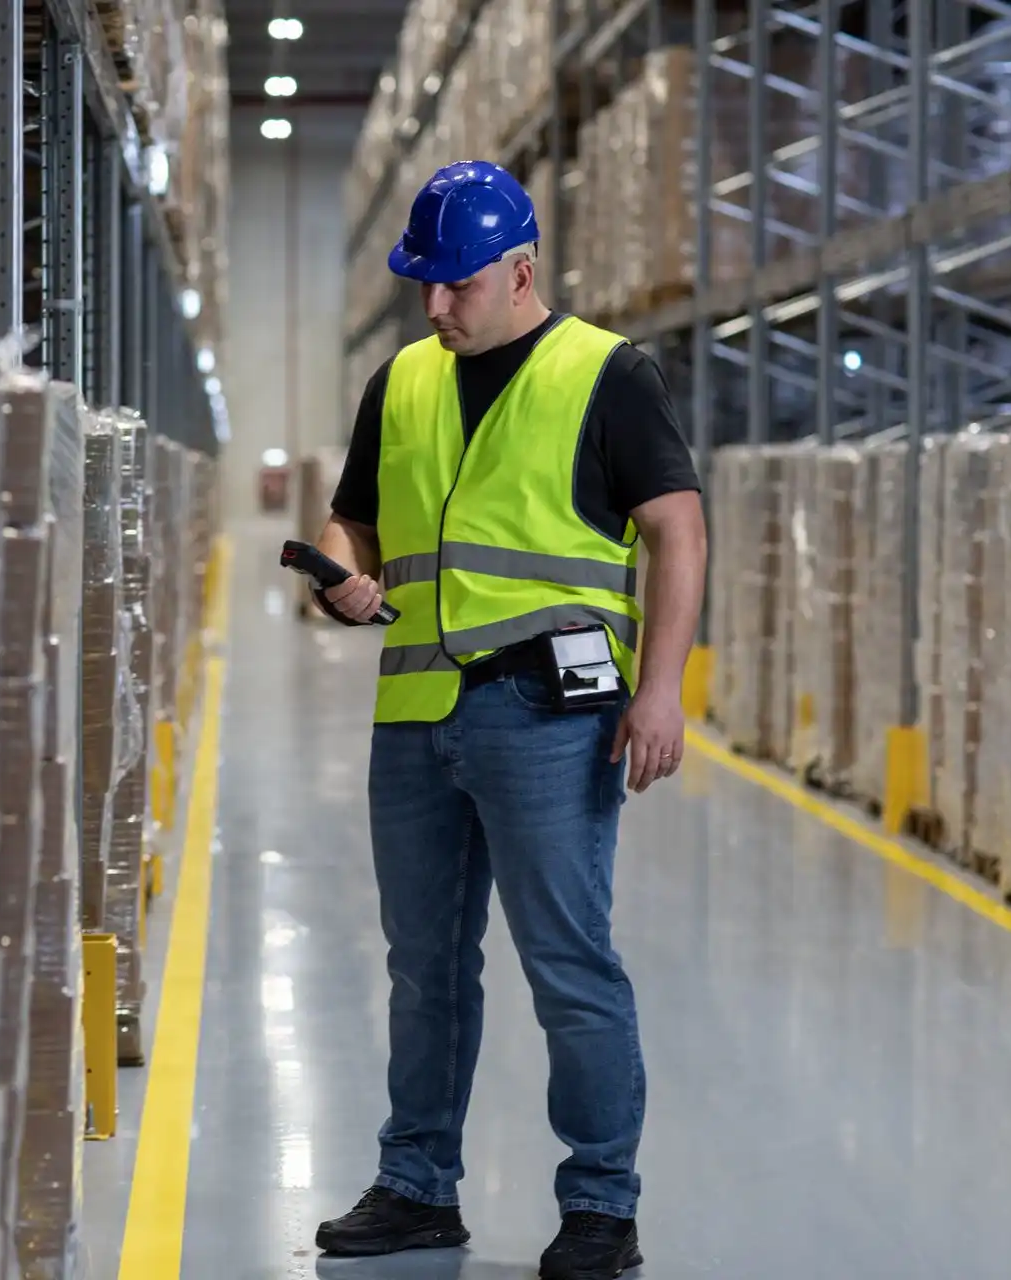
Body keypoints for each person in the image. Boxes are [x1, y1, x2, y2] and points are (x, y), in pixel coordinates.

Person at [310, 160, 707, 1280]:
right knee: (423, 965)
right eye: (422, 287)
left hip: (548, 719)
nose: (436, 308)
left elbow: (678, 528)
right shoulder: (401, 382)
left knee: (567, 961)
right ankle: (417, 1183)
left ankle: (599, 1204)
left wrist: (663, 687)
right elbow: (353, 524)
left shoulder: (607, 374)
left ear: (520, 269)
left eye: (457, 287)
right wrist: (337, 574)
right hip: (417, 708)